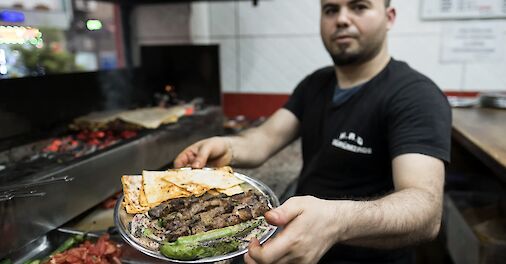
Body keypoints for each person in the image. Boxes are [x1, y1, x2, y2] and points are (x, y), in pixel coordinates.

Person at [174, 0, 451, 263]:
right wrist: (227, 147)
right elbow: (265, 138)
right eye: (330, 9)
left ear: (389, 17)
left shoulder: (415, 96)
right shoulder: (315, 84)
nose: (342, 19)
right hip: (291, 245)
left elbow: (425, 211)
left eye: (359, 6)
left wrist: (338, 222)